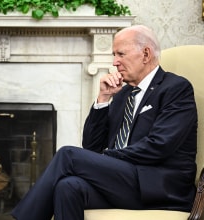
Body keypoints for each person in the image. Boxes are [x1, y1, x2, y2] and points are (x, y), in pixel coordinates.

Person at [11, 25, 197, 220]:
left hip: (159, 187)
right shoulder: (122, 94)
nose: (115, 62)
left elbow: (159, 146)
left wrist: (108, 157)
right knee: (68, 186)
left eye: (121, 54)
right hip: (124, 183)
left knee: (68, 154)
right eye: (113, 55)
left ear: (145, 54)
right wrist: (102, 100)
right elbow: (91, 147)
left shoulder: (176, 88)